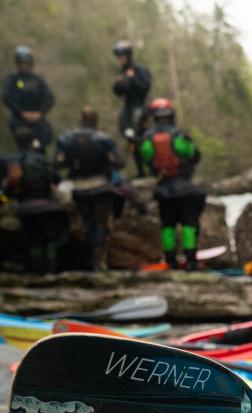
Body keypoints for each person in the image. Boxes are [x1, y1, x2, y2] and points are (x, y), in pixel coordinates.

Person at [54, 107, 125, 271]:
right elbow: (120, 162)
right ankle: (98, 261)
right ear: (96, 122)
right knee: (100, 223)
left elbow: (57, 164)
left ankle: (89, 258)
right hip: (100, 186)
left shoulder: (67, 139)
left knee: (87, 223)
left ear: (81, 120)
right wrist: (106, 165)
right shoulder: (103, 139)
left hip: (78, 188)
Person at [139, 98, 205, 271]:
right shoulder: (178, 136)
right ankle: (191, 260)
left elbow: (146, 159)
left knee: (167, 225)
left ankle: (171, 261)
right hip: (184, 188)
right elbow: (194, 155)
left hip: (163, 190)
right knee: (189, 223)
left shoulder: (147, 139)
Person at [0, 126, 66, 273]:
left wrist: (5, 202)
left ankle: (36, 272)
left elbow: (4, 189)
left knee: (34, 240)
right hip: (45, 206)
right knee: (50, 239)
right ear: (33, 141)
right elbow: (56, 179)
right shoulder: (41, 160)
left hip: (22, 208)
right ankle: (50, 273)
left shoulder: (8, 161)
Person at [3, 46, 54, 151]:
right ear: (18, 63)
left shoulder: (38, 80)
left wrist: (40, 113)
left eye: (27, 63)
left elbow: (49, 98)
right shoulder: (12, 79)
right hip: (19, 119)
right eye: (22, 63)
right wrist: (22, 112)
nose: (25, 66)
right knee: (21, 139)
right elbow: (7, 97)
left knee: (44, 137)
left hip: (37, 119)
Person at [112, 40, 151, 177]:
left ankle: (150, 170)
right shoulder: (122, 72)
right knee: (131, 140)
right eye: (118, 56)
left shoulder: (139, 69)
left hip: (140, 108)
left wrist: (132, 78)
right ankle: (140, 171)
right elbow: (117, 91)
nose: (120, 59)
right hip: (128, 109)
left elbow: (144, 88)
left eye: (122, 56)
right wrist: (124, 80)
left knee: (142, 141)